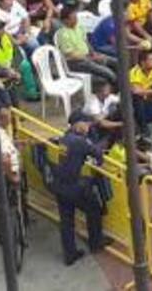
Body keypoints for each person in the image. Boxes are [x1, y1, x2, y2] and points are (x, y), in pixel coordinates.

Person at [51, 111, 106, 265]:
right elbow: (98, 154)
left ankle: (70, 254)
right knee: (94, 209)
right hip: (73, 185)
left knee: (66, 221)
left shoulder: (65, 138)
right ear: (78, 124)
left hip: (59, 184)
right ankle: (96, 243)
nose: (88, 127)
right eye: (86, 124)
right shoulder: (80, 141)